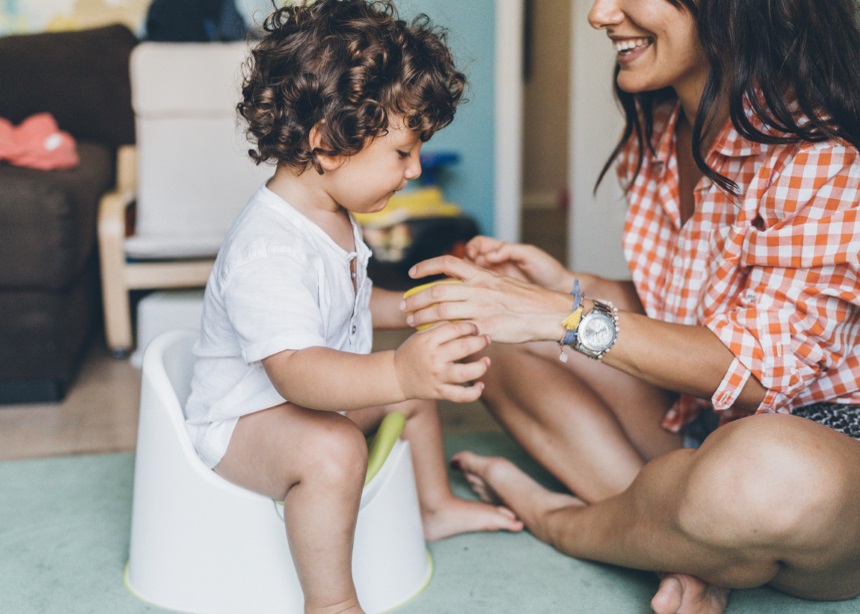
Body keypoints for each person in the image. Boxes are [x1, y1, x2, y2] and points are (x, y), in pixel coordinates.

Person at [401, 0, 860, 612]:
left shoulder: (821, 154)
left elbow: (753, 374)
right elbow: (692, 307)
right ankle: (690, 545)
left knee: (760, 473)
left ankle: (561, 520)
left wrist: (560, 316)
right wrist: (569, 287)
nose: (599, 13)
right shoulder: (668, 127)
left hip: (816, 452)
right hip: (701, 428)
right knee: (477, 330)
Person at [183, 1, 523, 612]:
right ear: (329, 145)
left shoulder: (331, 214)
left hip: (305, 403)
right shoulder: (271, 249)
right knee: (334, 448)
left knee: (410, 396)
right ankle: (332, 601)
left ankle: (435, 507)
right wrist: (398, 369)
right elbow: (299, 371)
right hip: (242, 425)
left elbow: (354, 308)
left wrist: (430, 307)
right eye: (403, 153)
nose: (416, 169)